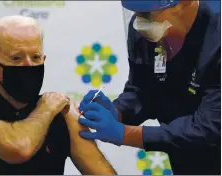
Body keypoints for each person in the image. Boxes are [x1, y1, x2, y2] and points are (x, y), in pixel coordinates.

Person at [0, 15, 116, 175]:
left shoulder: (62, 114)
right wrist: (46, 110)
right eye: (17, 58)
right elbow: (19, 148)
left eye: (35, 57)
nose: (29, 66)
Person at [78, 0, 221, 175]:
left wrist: (125, 134)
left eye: (147, 14)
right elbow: (142, 90)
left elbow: (208, 129)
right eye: (134, 13)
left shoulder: (216, 38)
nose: (139, 23)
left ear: (183, 4)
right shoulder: (145, 31)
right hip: (184, 161)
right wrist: (118, 111)